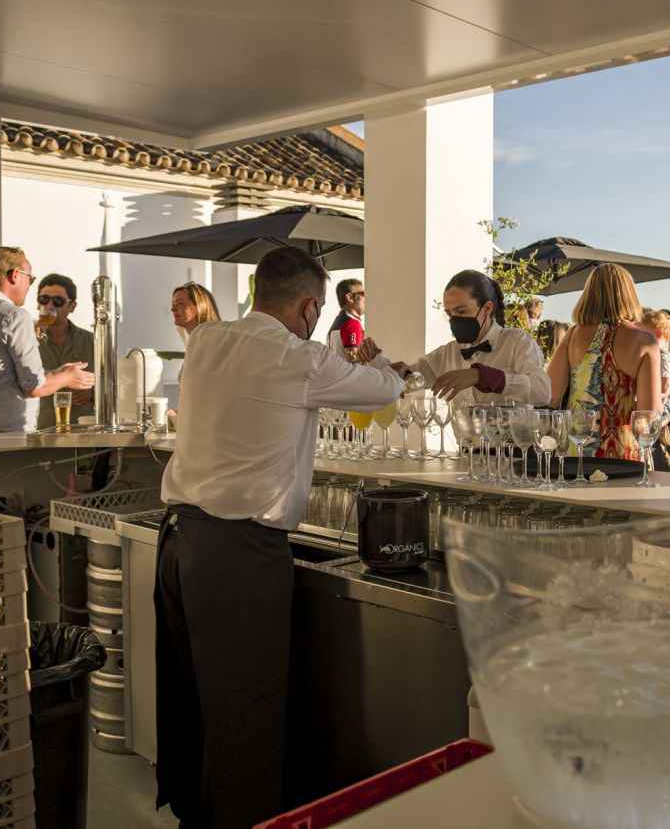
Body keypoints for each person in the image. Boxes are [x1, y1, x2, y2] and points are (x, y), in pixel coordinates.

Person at [157, 248, 402, 827]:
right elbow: (386, 390)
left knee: (196, 705)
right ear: (311, 306)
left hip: (182, 543)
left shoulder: (208, 341)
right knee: (247, 715)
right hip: (239, 554)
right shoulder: (304, 359)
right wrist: (383, 359)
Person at [357, 269, 550, 406]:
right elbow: (405, 383)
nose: (455, 319)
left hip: (515, 458)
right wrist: (375, 359)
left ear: (487, 308)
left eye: (462, 311)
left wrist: (481, 376)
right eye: (450, 313)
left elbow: (542, 391)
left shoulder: (517, 341)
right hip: (467, 458)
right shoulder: (449, 352)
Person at [0, 246, 94, 432]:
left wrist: (58, 373)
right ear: (14, 276)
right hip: (2, 433)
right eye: (30, 279)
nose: (29, 287)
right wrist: (68, 376)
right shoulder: (15, 316)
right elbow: (33, 387)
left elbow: (3, 376)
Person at [546, 264, 662, 460]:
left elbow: (551, 395)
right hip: (624, 452)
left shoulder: (572, 334)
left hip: (577, 450)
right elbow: (649, 414)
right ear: (629, 295)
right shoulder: (644, 341)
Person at [34, 273, 95, 429]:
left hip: (82, 431)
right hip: (41, 429)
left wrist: (92, 393)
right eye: (44, 299)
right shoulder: (26, 339)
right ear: (37, 303)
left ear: (72, 306)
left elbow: (110, 382)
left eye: (58, 301)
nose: (49, 306)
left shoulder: (91, 341)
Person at [640, 308, 670, 470]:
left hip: (660, 410)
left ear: (658, 334)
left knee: (652, 447)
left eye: (643, 334)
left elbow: (665, 386)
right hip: (658, 411)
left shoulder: (662, 356)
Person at [327, 277, 365, 360]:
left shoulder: (336, 323)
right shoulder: (352, 323)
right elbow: (354, 361)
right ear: (350, 298)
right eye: (363, 294)